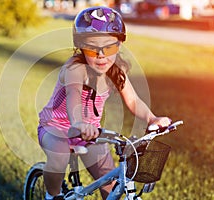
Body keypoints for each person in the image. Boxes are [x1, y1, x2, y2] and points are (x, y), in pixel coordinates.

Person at [37, 6, 171, 200]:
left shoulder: (116, 72)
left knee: (108, 180)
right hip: (56, 127)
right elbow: (73, 96)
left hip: (90, 132)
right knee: (58, 157)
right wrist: (77, 123)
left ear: (118, 45)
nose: (101, 55)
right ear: (82, 47)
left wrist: (152, 118)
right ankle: (52, 195)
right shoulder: (76, 69)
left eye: (109, 47)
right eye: (92, 49)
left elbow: (133, 100)